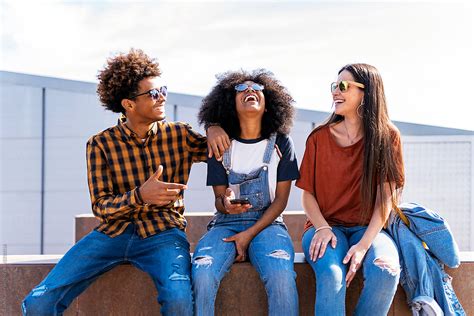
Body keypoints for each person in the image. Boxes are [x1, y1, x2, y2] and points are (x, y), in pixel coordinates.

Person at [22, 49, 228, 316]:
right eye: (153, 93)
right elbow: (101, 206)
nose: (162, 96)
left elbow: (220, 150)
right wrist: (140, 195)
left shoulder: (180, 134)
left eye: (162, 89)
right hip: (112, 234)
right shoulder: (100, 144)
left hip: (163, 234)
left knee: (178, 300)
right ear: (129, 104)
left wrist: (214, 125)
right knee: (39, 302)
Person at [296, 63, 405, 315]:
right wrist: (322, 227)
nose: (336, 92)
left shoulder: (388, 137)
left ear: (367, 92)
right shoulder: (318, 138)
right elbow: (307, 194)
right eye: (334, 86)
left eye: (344, 86)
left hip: (369, 229)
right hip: (324, 226)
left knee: (386, 270)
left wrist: (364, 245)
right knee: (333, 276)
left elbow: (385, 200)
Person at [192, 69, 300, 316]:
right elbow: (219, 200)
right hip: (225, 225)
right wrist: (225, 204)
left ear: (268, 101)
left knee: (281, 272)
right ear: (230, 102)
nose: (249, 90)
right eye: (240, 88)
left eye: (256, 88)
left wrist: (249, 234)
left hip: (268, 225)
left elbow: (281, 201)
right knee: (203, 271)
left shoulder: (282, 143)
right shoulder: (219, 142)